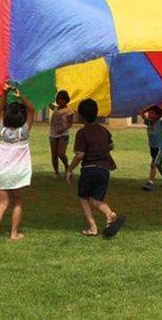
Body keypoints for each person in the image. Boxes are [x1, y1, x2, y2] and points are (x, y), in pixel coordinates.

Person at [66, 98, 125, 237]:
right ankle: (109, 214)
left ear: (81, 115)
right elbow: (111, 146)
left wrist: (69, 169)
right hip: (104, 170)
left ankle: (93, 227)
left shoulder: (82, 133)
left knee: (83, 197)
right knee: (98, 200)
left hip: (89, 169)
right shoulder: (103, 131)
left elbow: (80, 155)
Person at [0, 84, 34, 244]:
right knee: (17, 203)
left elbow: (1, 109)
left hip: (2, 171)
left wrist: (4, 93)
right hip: (18, 172)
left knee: (2, 203)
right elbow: (32, 111)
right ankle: (14, 233)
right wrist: (21, 97)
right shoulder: (24, 132)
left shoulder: (1, 131)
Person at [140, 104, 162, 191]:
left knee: (153, 164)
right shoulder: (148, 122)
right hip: (152, 147)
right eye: (149, 113)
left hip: (159, 147)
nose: (149, 114)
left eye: (152, 113)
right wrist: (150, 107)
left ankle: (150, 182)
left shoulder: (160, 123)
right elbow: (141, 112)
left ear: (158, 116)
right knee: (158, 165)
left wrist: (161, 108)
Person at [49, 90, 74, 179]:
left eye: (62, 99)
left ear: (66, 100)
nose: (59, 100)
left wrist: (63, 129)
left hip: (63, 134)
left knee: (61, 153)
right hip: (53, 134)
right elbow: (49, 104)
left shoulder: (69, 111)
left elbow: (70, 123)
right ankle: (56, 172)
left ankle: (67, 166)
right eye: (58, 98)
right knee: (54, 154)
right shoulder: (56, 108)